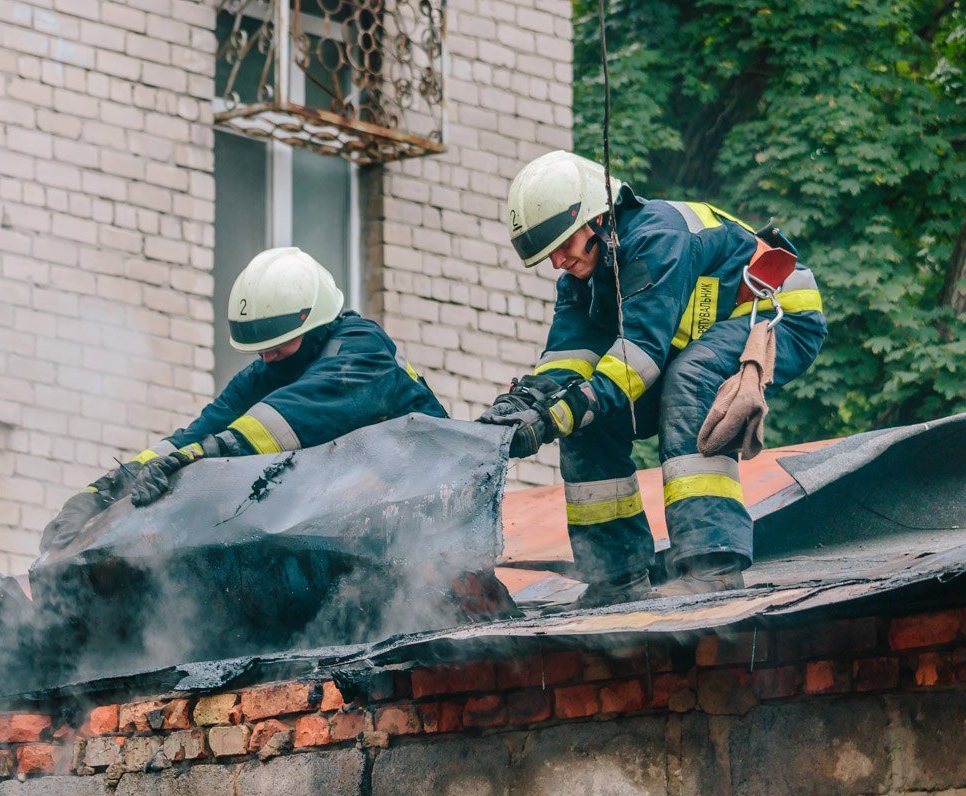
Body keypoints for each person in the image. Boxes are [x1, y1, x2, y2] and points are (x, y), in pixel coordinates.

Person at [478, 151, 827, 606]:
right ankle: (616, 577)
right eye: (549, 254)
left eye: (563, 245)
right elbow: (568, 359)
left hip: (780, 317)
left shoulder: (656, 238)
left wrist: (559, 413)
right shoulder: (582, 280)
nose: (557, 262)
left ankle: (714, 566)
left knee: (692, 380)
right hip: (689, 341)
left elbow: (638, 360)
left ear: (598, 219)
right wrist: (529, 405)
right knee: (589, 421)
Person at [41, 246, 447, 552]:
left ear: (315, 321)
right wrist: (103, 492)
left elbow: (292, 417)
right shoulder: (267, 372)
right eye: (260, 349)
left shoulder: (362, 349)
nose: (267, 357)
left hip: (431, 516)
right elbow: (197, 434)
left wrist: (199, 458)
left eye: (278, 345)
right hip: (356, 528)